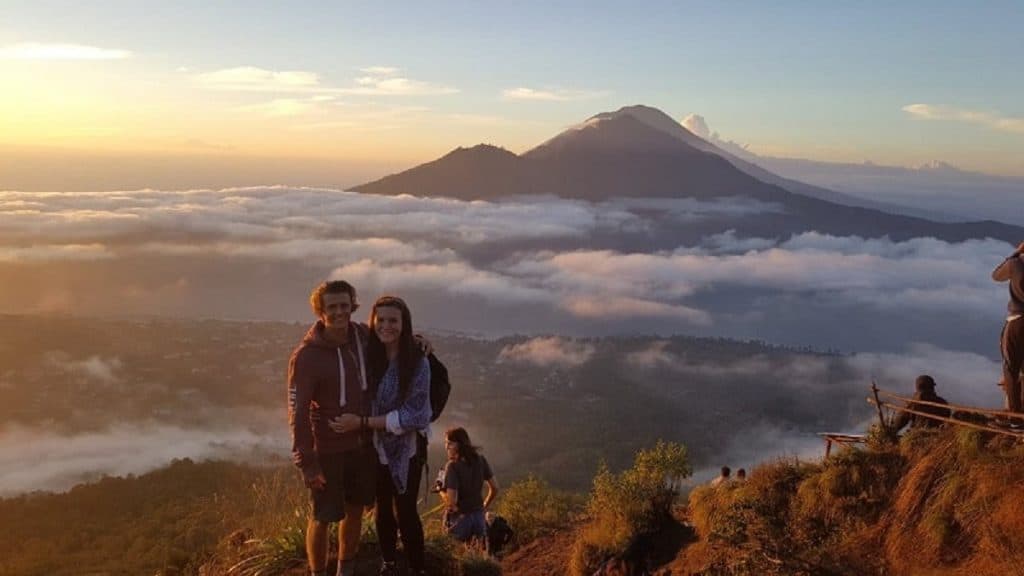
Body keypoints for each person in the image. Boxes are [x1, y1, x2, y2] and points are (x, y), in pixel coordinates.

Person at [331, 295, 432, 576]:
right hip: (376, 447)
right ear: (373, 321)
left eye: (393, 321)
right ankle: (388, 561)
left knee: (406, 510)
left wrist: (363, 422)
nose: (386, 326)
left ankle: (417, 567)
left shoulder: (416, 362)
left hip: (408, 447)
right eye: (381, 320)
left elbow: (416, 415)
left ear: (404, 324)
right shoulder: (368, 355)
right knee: (382, 508)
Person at [288, 280, 376, 576]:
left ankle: (345, 569)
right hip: (327, 449)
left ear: (353, 305)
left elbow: (394, 339)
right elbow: (297, 411)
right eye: (332, 307)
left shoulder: (363, 337)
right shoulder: (307, 356)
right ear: (320, 311)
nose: (340, 312)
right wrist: (307, 462)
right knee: (322, 516)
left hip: (362, 445)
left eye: (345, 305)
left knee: (354, 510)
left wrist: (418, 341)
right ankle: (317, 572)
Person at [441, 427, 498, 546]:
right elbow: (495, 488)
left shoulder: (452, 466)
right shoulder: (481, 460)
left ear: (459, 445)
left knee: (451, 554)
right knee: (477, 557)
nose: (446, 446)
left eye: (450, 443)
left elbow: (452, 502)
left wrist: (441, 491)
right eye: (446, 443)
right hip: (479, 519)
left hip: (461, 520)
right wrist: (484, 506)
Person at [993, 241, 1024, 420]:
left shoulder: (1016, 263)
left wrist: (1015, 253)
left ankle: (1015, 417)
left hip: (1018, 319)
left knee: (1011, 368)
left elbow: (996, 275)